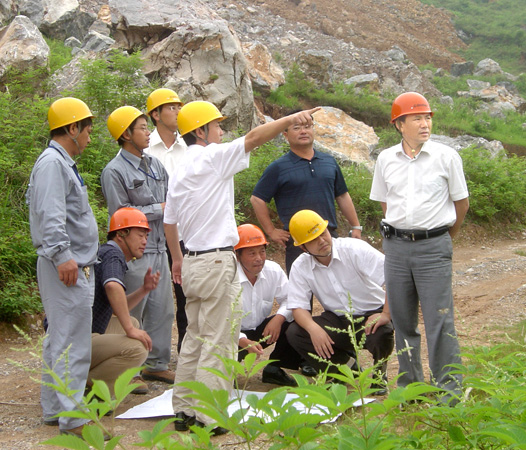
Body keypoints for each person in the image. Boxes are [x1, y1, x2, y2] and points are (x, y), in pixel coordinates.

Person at [164, 101, 320, 435]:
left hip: (192, 262)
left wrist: (177, 258)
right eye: (216, 126)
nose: (221, 131)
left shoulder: (179, 168)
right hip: (216, 260)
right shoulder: (212, 157)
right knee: (218, 341)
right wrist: (289, 119)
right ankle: (209, 415)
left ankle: (184, 410)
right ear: (200, 131)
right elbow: (252, 139)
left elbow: (169, 221)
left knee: (194, 337)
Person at [370, 92, 469, 403]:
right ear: (399, 125)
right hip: (396, 248)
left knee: (440, 320)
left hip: (433, 246)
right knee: (402, 321)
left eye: (427, 117)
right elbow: (386, 203)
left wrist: (442, 237)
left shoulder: (446, 157)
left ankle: (449, 392)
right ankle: (411, 390)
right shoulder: (386, 159)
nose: (425, 123)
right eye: (417, 118)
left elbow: (461, 204)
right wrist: (401, 233)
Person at [26, 97, 99, 437]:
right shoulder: (53, 164)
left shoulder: (59, 163)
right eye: (87, 130)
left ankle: (56, 409)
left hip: (67, 261)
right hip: (67, 265)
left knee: (59, 338)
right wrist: (62, 255)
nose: (89, 136)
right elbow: (50, 214)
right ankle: (74, 420)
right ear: (72, 128)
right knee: (73, 344)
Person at [101, 106, 175, 385]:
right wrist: (159, 208)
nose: (148, 133)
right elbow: (121, 213)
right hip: (134, 252)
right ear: (126, 134)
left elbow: (172, 200)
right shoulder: (114, 171)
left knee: (162, 310)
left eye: (146, 127)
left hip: (159, 248)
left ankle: (156, 364)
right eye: (142, 128)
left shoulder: (155, 164)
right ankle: (127, 371)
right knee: (132, 311)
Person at [285, 210, 394, 395]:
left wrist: (385, 314)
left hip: (371, 314)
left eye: (323, 233)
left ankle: (379, 374)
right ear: (303, 247)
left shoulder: (354, 249)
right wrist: (313, 329)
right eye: (313, 240)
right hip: (337, 319)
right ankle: (345, 368)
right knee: (296, 332)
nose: (322, 241)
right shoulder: (300, 266)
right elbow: (298, 306)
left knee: (382, 331)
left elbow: (393, 278)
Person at [250, 110, 362, 275]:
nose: (303, 131)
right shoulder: (278, 167)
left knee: (340, 283)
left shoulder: (329, 162)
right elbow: (257, 199)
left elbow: (342, 195)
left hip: (329, 236)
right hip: (298, 242)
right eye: (297, 128)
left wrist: (356, 226)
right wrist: (271, 231)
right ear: (286, 135)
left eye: (308, 126)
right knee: (300, 288)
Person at [90, 207, 160, 396]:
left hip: (78, 335)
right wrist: (129, 330)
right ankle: (91, 388)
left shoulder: (107, 252)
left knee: (133, 323)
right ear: (121, 234)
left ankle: (91, 382)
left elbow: (116, 308)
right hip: (76, 341)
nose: (145, 241)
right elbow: (113, 286)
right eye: (140, 235)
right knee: (138, 348)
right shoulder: (113, 254)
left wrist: (144, 289)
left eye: (146, 236)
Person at [145, 88, 189, 353]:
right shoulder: (144, 147)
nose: (178, 112)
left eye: (179, 107)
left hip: (185, 234)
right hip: (151, 237)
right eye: (171, 107)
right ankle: (147, 356)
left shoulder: (188, 147)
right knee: (152, 298)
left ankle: (186, 348)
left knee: (187, 295)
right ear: (156, 114)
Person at [235, 224, 302, 387]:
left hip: (260, 331)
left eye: (262, 251)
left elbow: (291, 299)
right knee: (219, 366)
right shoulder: (227, 276)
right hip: (231, 335)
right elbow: (218, 321)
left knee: (297, 320)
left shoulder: (273, 270)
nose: (259, 258)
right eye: (252, 253)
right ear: (237, 255)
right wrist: (242, 340)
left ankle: (274, 369)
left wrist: (279, 319)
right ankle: (227, 373)